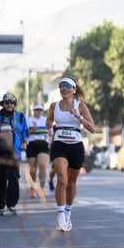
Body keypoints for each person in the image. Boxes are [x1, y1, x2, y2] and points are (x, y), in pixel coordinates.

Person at [46, 76, 95, 231]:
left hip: (76, 146)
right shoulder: (54, 106)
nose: (64, 89)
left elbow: (93, 128)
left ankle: (68, 213)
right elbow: (49, 122)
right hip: (59, 144)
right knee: (62, 179)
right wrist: (48, 126)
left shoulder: (80, 105)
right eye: (61, 86)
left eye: (67, 86)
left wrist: (79, 117)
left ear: (74, 89)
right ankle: (60, 216)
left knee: (71, 183)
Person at [0, 93, 28, 216]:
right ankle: (1, 204)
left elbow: (24, 132)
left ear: (15, 104)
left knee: (14, 178)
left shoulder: (20, 117)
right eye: (7, 102)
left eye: (12, 102)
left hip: (14, 154)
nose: (9, 105)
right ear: (2, 104)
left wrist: (25, 142)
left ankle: (12, 204)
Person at [26, 104, 50, 198]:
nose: (38, 111)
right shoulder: (29, 120)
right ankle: (32, 188)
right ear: (34, 111)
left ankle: (42, 187)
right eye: (36, 110)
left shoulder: (46, 120)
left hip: (43, 144)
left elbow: (51, 132)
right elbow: (25, 133)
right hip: (32, 144)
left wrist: (51, 133)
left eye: (40, 110)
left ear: (42, 111)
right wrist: (32, 130)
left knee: (42, 165)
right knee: (33, 168)